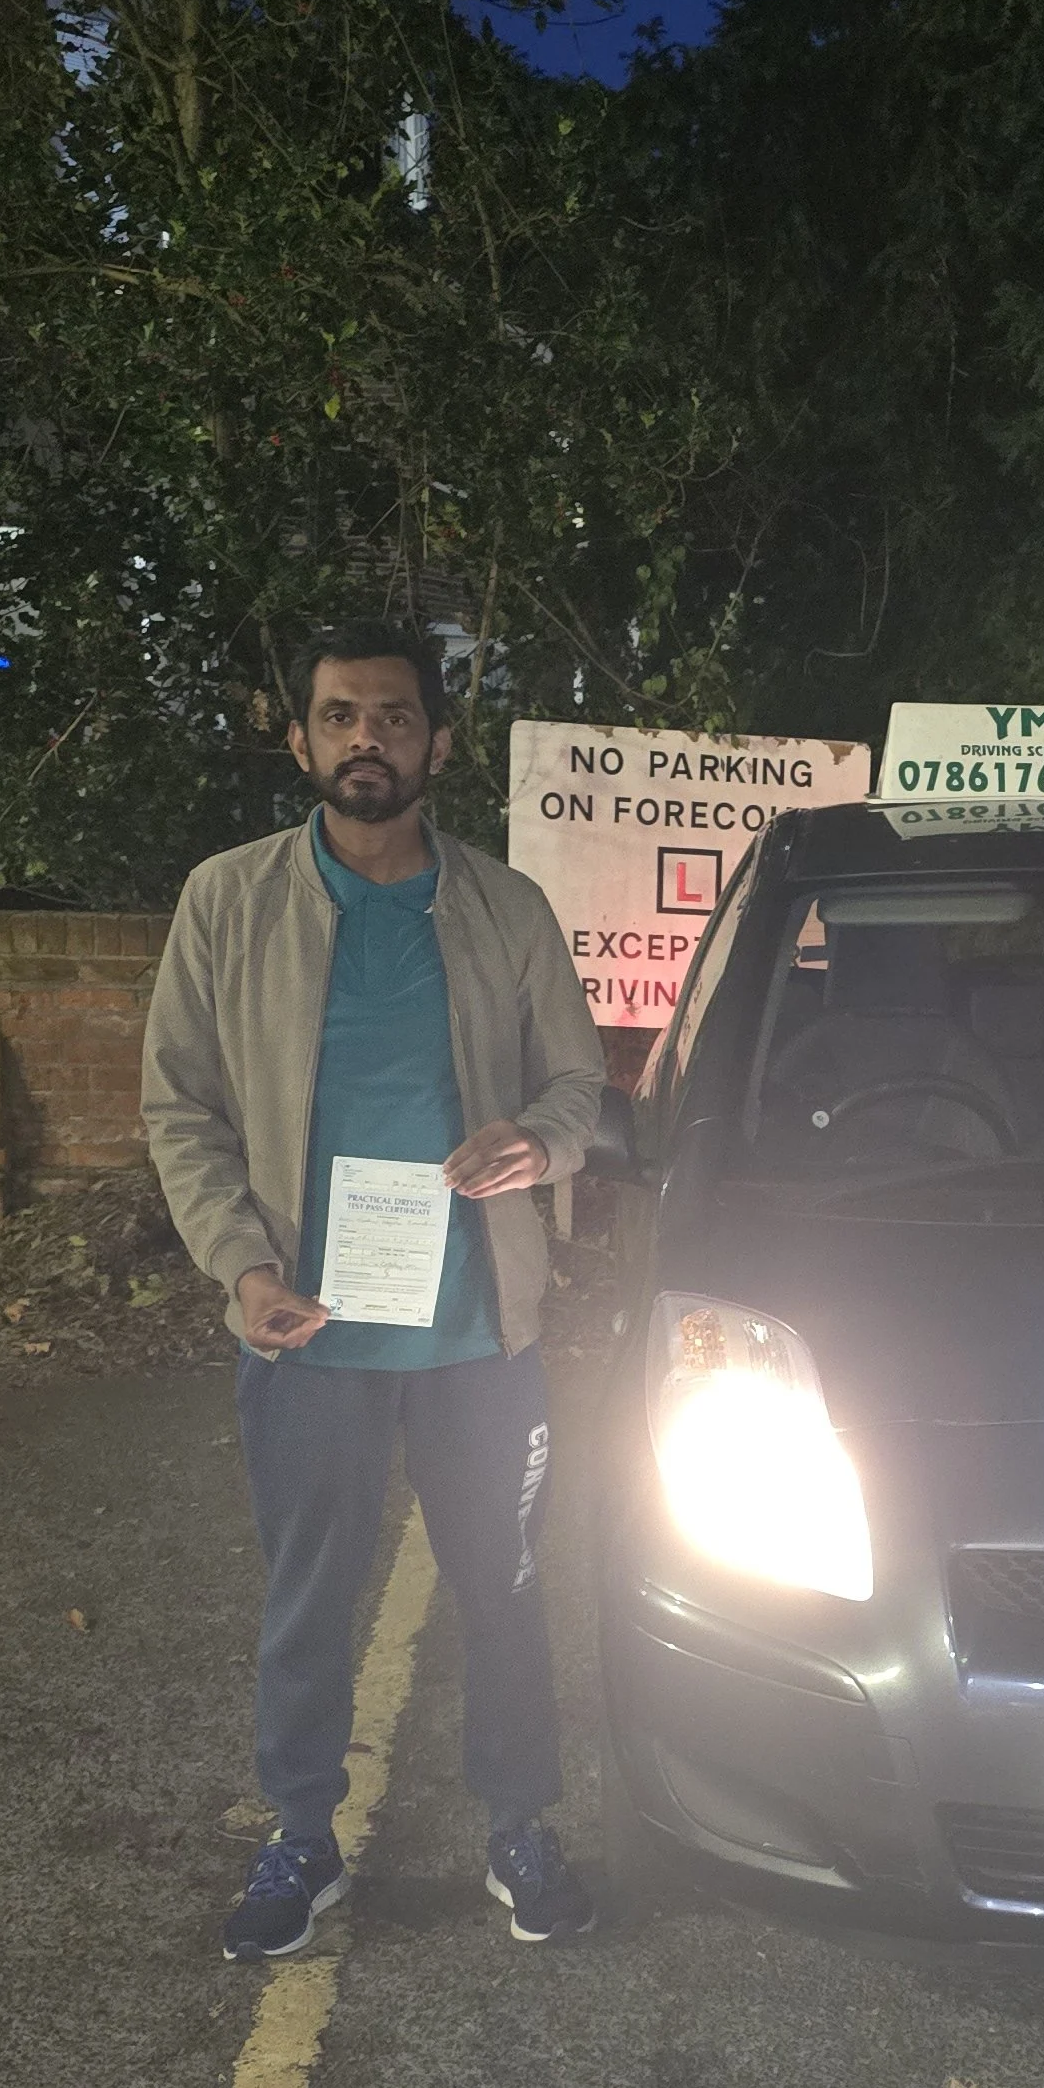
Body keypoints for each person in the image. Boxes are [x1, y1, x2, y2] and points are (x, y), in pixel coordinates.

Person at [141, 620, 604, 1957]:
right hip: (308, 1333)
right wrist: (243, 1267)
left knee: (503, 1588)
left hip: (479, 1335)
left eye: (394, 717)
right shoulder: (228, 901)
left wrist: (539, 1145)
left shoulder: (506, 909)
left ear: (437, 744)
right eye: (340, 715)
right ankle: (302, 1836)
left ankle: (519, 1825)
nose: (367, 739)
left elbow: (578, 1084)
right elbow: (181, 1109)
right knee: (310, 1597)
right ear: (300, 739)